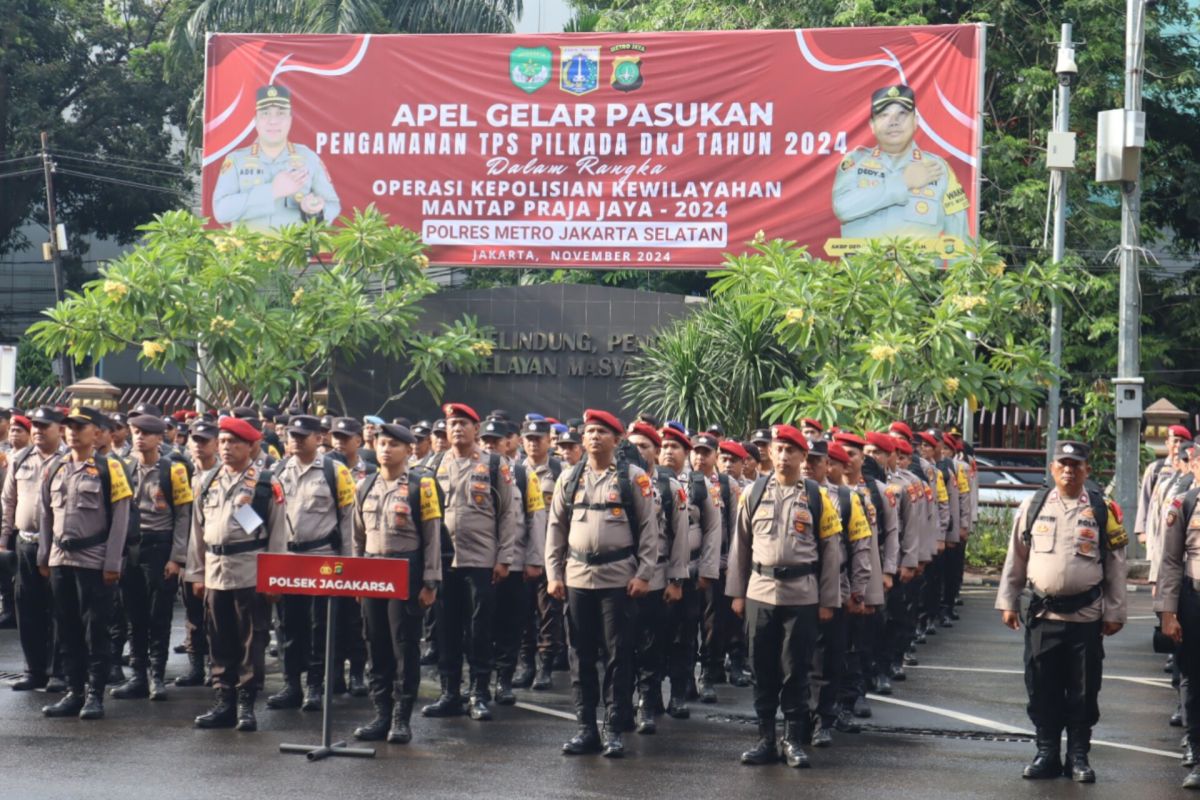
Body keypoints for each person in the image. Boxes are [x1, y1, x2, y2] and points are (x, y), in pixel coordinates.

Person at [995, 440, 1127, 782]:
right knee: (1041, 687)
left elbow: (1116, 564)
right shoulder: (1034, 506)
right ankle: (1047, 754)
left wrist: (1115, 611)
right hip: (1044, 616)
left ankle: (1078, 757)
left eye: (1076, 464)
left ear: (1087, 470)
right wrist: (1008, 601)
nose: (1069, 470)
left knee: (1084, 690)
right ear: (1052, 468)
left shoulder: (1102, 509)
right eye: (1062, 464)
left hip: (1086, 617)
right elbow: (1016, 557)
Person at [727, 424, 843, 767]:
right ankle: (765, 738)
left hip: (802, 595)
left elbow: (831, 552)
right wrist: (736, 593)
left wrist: (827, 601)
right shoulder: (753, 493)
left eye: (791, 450)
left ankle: (792, 739)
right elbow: (740, 546)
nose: (783, 455)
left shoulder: (818, 497)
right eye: (778, 449)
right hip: (760, 592)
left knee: (796, 669)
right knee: (761, 667)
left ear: (803, 456)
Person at [545, 409, 659, 758]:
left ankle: (613, 727)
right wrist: (554, 574)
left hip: (617, 579)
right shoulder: (569, 477)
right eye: (590, 432)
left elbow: (649, 531)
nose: (594, 437)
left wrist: (643, 574)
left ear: (617, 439)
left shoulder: (633, 477)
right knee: (580, 655)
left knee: (618, 655)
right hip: (578, 577)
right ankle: (585, 728)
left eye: (602, 432)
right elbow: (555, 529)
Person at [186, 416, 287, 731]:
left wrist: (273, 578)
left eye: (235, 443)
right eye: (224, 441)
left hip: (249, 570)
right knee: (219, 639)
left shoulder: (264, 482)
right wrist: (197, 574)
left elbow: (277, 534)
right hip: (215, 572)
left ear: (252, 446)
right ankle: (224, 701)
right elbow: (197, 531)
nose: (227, 448)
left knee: (249, 641)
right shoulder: (207, 480)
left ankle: (246, 705)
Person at [421, 403, 519, 722]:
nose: (457, 429)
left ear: (477, 429)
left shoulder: (494, 464)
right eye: (452, 424)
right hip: (445, 561)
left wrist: (504, 557)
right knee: (446, 629)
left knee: (480, 629)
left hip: (481, 559)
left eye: (464, 423)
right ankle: (450, 692)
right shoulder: (434, 464)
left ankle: (478, 692)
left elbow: (508, 514)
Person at [38, 407, 133, 720]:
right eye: (69, 427)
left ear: (97, 432)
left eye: (80, 427)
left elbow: (120, 518)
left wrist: (112, 562)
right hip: (61, 559)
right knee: (66, 628)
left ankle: (95, 694)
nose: (73, 432)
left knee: (96, 630)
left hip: (94, 561)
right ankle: (73, 691)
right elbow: (45, 515)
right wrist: (44, 555)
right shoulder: (54, 467)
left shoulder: (110, 468)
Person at [351, 423, 442, 744]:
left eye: (393, 444)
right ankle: (381, 715)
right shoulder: (364, 486)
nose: (385, 449)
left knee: (404, 646)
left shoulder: (422, 486)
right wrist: (356, 580)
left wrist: (430, 581)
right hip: (373, 572)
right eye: (381, 443)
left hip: (407, 570)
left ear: (408, 450)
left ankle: (402, 719)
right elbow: (357, 538)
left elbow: (432, 538)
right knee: (375, 645)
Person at [268, 414, 356, 710]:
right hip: (288, 558)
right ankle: (291, 684)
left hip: (323, 557)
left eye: (302, 435)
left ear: (320, 438)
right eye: (292, 434)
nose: (295, 439)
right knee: (288, 625)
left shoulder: (336, 471)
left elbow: (347, 522)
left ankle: (315, 686)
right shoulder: (277, 470)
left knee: (321, 626)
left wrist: (349, 566)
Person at [110, 414, 193, 702]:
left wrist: (177, 558)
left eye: (147, 433)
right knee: (133, 615)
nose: (140, 437)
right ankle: (137, 676)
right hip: (131, 547)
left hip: (160, 548)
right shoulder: (124, 467)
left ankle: (157, 675)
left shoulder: (174, 470)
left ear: (160, 438)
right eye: (136, 432)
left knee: (159, 614)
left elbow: (183, 516)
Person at [832, 84, 969, 245]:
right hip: (865, 269)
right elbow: (843, 209)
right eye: (884, 115)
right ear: (872, 126)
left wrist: (962, 269)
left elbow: (959, 239)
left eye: (902, 114)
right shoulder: (854, 163)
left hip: (919, 270)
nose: (893, 122)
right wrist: (902, 182)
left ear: (916, 121)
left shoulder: (940, 169)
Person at [212, 84, 341, 230]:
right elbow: (221, 211)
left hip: (295, 251)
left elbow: (332, 204)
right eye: (265, 114)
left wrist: (315, 211)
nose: (273, 121)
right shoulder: (236, 160)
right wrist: (272, 191)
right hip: (248, 251)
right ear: (256, 121)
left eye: (280, 113)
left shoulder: (309, 158)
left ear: (290, 119)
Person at [1, 407, 67, 691]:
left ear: (59, 429)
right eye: (36, 426)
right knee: (27, 608)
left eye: (45, 426)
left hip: (57, 545)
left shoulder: (68, 461)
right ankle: (34, 670)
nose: (38, 431)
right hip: (25, 541)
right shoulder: (21, 458)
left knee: (59, 608)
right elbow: (9, 501)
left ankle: (58, 671)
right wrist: (5, 539)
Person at [175, 418, 220, 688]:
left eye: (204, 441)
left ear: (216, 444)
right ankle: (195, 667)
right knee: (192, 616)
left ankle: (216, 666)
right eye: (195, 440)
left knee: (216, 615)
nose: (199, 446)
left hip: (216, 557)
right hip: (187, 555)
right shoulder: (182, 474)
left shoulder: (225, 476)